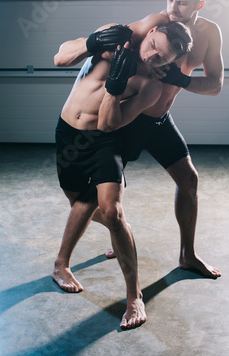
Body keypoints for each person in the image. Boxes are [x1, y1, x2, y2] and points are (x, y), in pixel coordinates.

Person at [56, 0, 224, 280]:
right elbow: (111, 46)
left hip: (158, 120)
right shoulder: (154, 24)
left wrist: (182, 80)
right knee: (95, 198)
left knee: (189, 181)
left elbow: (215, 85)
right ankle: (108, 241)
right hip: (127, 121)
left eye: (183, 4)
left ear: (199, 5)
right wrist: (93, 44)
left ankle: (187, 255)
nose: (173, 8)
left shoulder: (210, 33)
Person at [52, 22, 192, 330]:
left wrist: (114, 87)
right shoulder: (115, 39)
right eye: (154, 46)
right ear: (152, 31)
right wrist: (91, 42)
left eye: (162, 59)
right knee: (80, 204)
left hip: (103, 141)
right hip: (68, 136)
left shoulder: (151, 86)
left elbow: (107, 125)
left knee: (113, 212)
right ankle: (108, 241)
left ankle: (133, 298)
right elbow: (60, 58)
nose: (153, 57)